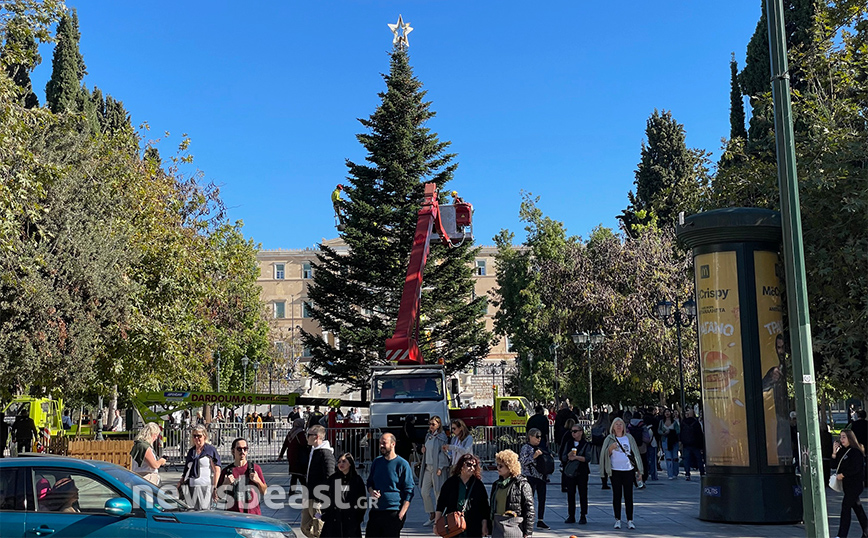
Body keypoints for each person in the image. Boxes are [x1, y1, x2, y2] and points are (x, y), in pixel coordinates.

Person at [366, 433, 415, 538]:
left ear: (393, 444)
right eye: (380, 443)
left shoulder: (402, 464)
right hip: (376, 510)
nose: (381, 446)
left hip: (393, 511)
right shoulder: (377, 462)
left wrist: (402, 513)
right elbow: (370, 482)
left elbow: (409, 491)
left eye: (384, 443)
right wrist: (371, 491)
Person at [600, 417, 642, 530]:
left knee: (629, 496)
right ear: (613, 427)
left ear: (624, 426)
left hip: (628, 470)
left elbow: (636, 454)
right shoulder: (609, 439)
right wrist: (610, 449)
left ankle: (630, 520)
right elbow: (603, 455)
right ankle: (617, 519)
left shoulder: (629, 438)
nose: (619, 426)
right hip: (615, 470)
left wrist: (640, 471)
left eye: (621, 424)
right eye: (616, 424)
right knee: (617, 496)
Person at [435, 454, 490, 537]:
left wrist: (484, 525)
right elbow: (441, 504)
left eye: (474, 466)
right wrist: (436, 524)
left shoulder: (478, 485)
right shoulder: (450, 483)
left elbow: (484, 507)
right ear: (461, 466)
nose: (472, 468)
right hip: (453, 525)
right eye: (469, 465)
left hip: (473, 526)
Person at [489, 449, 534, 538]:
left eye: (501, 466)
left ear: (510, 467)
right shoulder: (497, 484)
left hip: (513, 526)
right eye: (497, 465)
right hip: (498, 526)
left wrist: (527, 532)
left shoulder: (522, 484)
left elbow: (529, 510)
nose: (498, 468)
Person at [831, 429, 868, 538]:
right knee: (857, 508)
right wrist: (834, 452)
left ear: (850, 438)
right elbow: (833, 465)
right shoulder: (842, 451)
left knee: (845, 507)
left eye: (844, 437)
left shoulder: (855, 452)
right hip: (847, 485)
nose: (841, 439)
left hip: (855, 484)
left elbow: (856, 468)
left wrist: (843, 474)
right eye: (840, 437)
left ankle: (842, 535)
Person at [321, 452, 367, 538]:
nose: (341, 464)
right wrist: (325, 513)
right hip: (334, 520)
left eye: (344, 461)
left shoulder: (356, 480)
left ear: (350, 463)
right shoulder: (333, 478)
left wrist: (358, 518)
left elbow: (362, 500)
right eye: (339, 462)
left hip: (350, 521)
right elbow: (325, 496)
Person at [302, 425, 336, 538]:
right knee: (304, 527)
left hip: (318, 498)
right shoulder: (313, 450)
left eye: (308, 435)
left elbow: (330, 476)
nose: (306, 437)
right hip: (309, 495)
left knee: (319, 528)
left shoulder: (326, 453)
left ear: (316, 437)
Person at [218, 437, 267, 514]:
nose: (243, 451)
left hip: (253, 514)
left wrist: (258, 481)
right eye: (239, 449)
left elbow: (264, 491)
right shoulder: (227, 471)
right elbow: (218, 496)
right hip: (233, 515)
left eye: (245, 449)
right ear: (233, 451)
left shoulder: (255, 469)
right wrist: (225, 484)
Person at [179, 425, 221, 509]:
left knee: (204, 512)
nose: (196, 438)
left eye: (199, 436)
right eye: (194, 436)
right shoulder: (191, 451)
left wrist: (215, 487)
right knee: (191, 512)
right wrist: (181, 481)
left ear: (204, 436)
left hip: (205, 486)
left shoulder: (210, 450)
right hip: (191, 486)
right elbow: (187, 469)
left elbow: (217, 470)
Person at [419, 416, 450, 526]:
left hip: (437, 467)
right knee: (424, 491)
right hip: (428, 466)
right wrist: (423, 450)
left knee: (438, 492)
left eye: (433, 424)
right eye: (430, 424)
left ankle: (439, 517)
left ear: (438, 425)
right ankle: (431, 514)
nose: (431, 426)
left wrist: (440, 467)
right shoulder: (429, 436)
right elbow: (427, 448)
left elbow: (443, 453)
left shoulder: (442, 437)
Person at [560, 422, 592, 525]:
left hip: (582, 471)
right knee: (570, 494)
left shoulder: (585, 444)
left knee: (583, 494)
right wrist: (568, 455)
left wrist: (577, 457)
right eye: (572, 431)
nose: (573, 433)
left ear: (581, 432)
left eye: (575, 431)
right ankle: (571, 515)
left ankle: (583, 515)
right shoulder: (568, 443)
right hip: (570, 472)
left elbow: (588, 458)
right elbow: (563, 457)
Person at [519, 428, 550, 529]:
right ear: (530, 437)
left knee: (542, 499)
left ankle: (541, 519)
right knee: (529, 499)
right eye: (537, 436)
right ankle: (527, 518)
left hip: (541, 477)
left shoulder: (541, 447)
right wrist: (533, 456)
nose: (539, 439)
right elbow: (522, 461)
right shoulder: (526, 448)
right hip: (530, 477)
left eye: (540, 436)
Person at [279, 417, 310, 487]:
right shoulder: (300, 433)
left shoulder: (291, 432)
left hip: (291, 455)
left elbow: (285, 444)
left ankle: (292, 490)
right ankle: (306, 490)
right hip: (299, 456)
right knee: (300, 474)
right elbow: (304, 444)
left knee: (294, 474)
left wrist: (281, 455)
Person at [680, 408, 705, 480]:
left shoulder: (683, 422)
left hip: (686, 444)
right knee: (699, 460)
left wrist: (682, 442)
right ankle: (702, 473)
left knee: (687, 460)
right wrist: (701, 446)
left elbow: (681, 433)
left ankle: (687, 474)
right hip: (695, 444)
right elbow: (700, 435)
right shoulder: (696, 422)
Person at [590, 411, 611, 489]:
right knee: (607, 465)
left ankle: (603, 482)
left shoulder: (594, 426)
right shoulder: (607, 426)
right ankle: (606, 482)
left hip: (596, 447)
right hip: (605, 446)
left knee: (602, 465)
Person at [658, 409, 681, 479]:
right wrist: (663, 433)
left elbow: (678, 431)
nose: (667, 413)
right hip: (665, 440)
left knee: (675, 457)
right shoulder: (661, 422)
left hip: (674, 441)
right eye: (665, 412)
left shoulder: (674, 422)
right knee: (668, 458)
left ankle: (675, 473)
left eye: (668, 412)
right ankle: (670, 474)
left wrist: (671, 432)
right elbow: (659, 430)